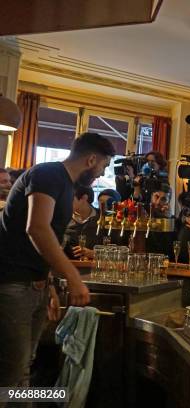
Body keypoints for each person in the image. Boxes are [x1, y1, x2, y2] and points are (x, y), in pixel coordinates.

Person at [0, 132, 114, 391]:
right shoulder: (49, 174)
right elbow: (37, 229)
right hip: (12, 283)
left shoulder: (65, 184)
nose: (100, 174)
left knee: (23, 369)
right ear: (91, 159)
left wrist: (48, 284)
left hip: (32, 284)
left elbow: (44, 242)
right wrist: (73, 278)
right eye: (103, 166)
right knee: (10, 372)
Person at [63, 185, 99, 260]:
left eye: (69, 199)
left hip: (95, 268)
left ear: (84, 198)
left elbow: (116, 249)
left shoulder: (103, 219)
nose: (65, 202)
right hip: (67, 267)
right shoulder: (62, 218)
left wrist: (94, 253)